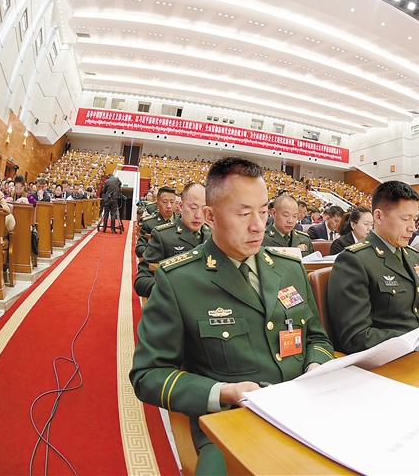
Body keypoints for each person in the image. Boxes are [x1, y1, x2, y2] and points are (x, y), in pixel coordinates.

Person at [130, 157, 333, 474]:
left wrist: (315, 364)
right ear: (210, 216)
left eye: (263, 211)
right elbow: (148, 375)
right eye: (243, 213)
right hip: (232, 425)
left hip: (306, 411)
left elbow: (317, 338)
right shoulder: (179, 280)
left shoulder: (290, 269)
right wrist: (223, 392)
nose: (258, 225)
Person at [326, 181, 419, 354]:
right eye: (405, 219)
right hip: (387, 359)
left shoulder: (413, 257)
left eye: (414, 219)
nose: (412, 228)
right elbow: (355, 337)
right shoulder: (354, 261)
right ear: (379, 217)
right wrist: (418, 338)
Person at [134, 183, 211, 298]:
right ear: (181, 206)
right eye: (193, 208)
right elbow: (142, 282)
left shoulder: (213, 236)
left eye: (204, 209)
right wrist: (172, 288)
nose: (198, 215)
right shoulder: (162, 236)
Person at [135, 187, 177, 258]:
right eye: (165, 202)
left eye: (172, 202)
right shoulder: (149, 223)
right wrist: (154, 251)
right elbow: (139, 249)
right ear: (157, 204)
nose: (169, 206)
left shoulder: (183, 222)